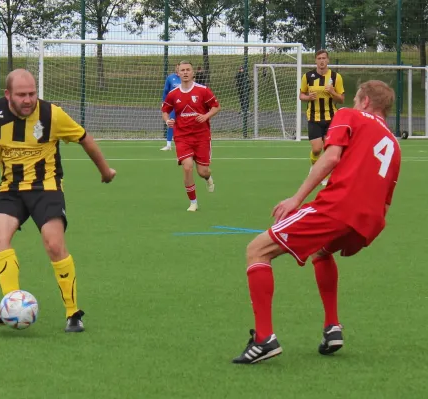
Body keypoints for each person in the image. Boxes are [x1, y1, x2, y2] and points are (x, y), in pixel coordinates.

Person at [232, 80, 401, 364]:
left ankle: (264, 339)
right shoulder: (395, 145)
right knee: (322, 252)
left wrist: (296, 198)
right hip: (370, 222)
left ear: (366, 102)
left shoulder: (349, 114)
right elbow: (386, 199)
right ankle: (332, 327)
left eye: (357, 97)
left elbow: (331, 156)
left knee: (257, 251)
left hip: (337, 208)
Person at [0, 69, 116, 333]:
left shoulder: (52, 114)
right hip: (11, 188)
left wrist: (105, 171)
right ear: (8, 94)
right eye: (21, 94)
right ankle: (11, 306)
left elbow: (84, 138)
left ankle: (73, 312)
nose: (28, 99)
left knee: (54, 244)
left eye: (32, 93)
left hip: (46, 187)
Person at [161, 61, 221, 212]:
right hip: (182, 136)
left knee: (202, 171)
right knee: (187, 168)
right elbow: (165, 110)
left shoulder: (203, 90)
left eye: (188, 70)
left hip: (201, 136)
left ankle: (208, 178)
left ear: (193, 73)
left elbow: (216, 106)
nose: (185, 72)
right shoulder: (173, 94)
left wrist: (206, 116)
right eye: (182, 70)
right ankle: (193, 202)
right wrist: (168, 120)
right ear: (178, 73)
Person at [299, 50, 345, 185]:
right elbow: (301, 95)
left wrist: (332, 92)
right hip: (314, 117)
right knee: (317, 149)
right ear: (315, 61)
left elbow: (341, 99)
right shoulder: (307, 76)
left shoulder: (336, 77)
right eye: (319, 58)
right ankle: (314, 166)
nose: (321, 61)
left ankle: (324, 175)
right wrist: (308, 97)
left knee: (329, 150)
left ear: (328, 60)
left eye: (324, 58)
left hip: (331, 118)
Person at [160, 63, 181, 151]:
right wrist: (164, 102)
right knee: (171, 123)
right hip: (173, 105)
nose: (178, 69)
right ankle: (168, 145)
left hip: (184, 105)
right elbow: (165, 91)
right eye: (177, 67)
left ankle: (183, 143)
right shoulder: (170, 78)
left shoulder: (187, 79)